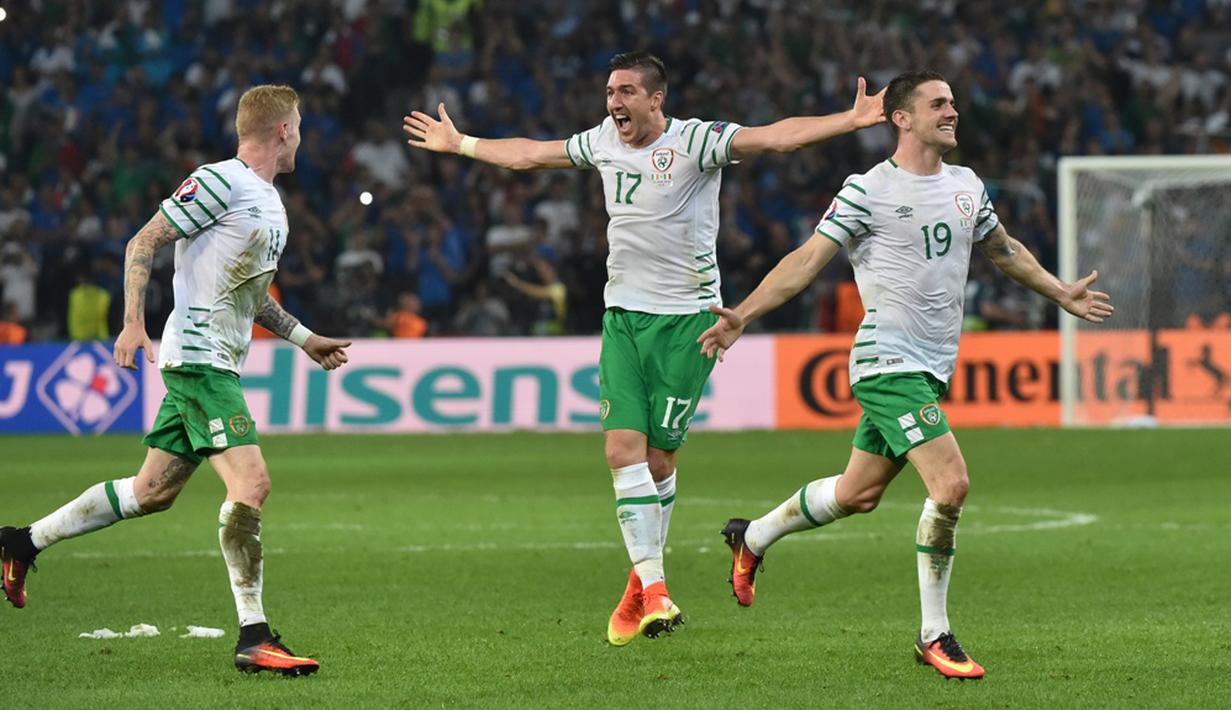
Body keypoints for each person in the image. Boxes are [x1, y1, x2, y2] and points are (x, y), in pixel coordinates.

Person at [403, 50, 886, 646]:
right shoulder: (603, 140)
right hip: (622, 319)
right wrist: (463, 145)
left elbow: (776, 140)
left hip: (688, 323)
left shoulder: (697, 142)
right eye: (610, 90)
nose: (614, 102)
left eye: (627, 91)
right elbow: (532, 154)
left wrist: (849, 119)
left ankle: (640, 585)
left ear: (656, 99)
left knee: (658, 463)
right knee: (620, 450)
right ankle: (657, 592)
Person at [697, 69, 1115, 679]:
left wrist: (1060, 293)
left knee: (857, 494)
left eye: (953, 102)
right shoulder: (868, 190)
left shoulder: (968, 185)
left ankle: (752, 537)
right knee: (951, 485)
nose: (952, 111)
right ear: (902, 117)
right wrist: (743, 315)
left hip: (931, 366)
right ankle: (934, 633)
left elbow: (1004, 250)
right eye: (937, 103)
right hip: (886, 362)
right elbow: (807, 260)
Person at [0, 85, 352, 677]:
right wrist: (133, 323)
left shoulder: (267, 201)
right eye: (300, 125)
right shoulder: (220, 180)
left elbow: (251, 295)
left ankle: (20, 541)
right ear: (284, 130)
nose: (302, 135)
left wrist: (303, 337)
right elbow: (144, 240)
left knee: (150, 493)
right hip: (200, 361)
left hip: (217, 359)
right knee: (252, 483)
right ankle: (254, 637)